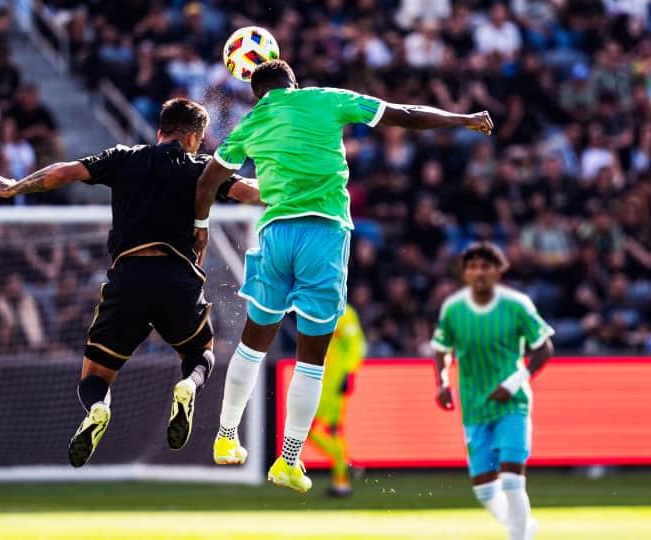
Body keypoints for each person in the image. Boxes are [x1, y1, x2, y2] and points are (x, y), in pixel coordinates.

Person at [194, 59, 493, 492]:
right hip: (325, 234)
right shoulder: (325, 98)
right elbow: (403, 114)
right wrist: (462, 119)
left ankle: (225, 436)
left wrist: (201, 229)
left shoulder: (251, 122)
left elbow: (207, 181)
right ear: (294, 83)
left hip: (274, 233)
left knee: (253, 342)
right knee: (311, 359)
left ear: (259, 94)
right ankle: (289, 461)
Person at [0, 98, 260, 467]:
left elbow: (64, 172)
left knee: (94, 375)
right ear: (193, 138)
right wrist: (298, 185)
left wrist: (14, 187)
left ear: (160, 132)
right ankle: (187, 386)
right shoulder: (200, 167)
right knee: (198, 354)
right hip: (178, 278)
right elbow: (250, 192)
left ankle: (97, 409)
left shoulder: (123, 157)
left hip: (128, 278)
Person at [431, 242, 554, 540]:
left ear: (499, 271)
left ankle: (519, 536)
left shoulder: (517, 305)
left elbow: (544, 348)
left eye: (486, 266)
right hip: (474, 407)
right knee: (486, 491)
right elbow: (441, 349)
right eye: (472, 267)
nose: (479, 272)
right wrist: (443, 382)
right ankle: (523, 526)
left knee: (513, 481)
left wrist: (513, 383)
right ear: (464, 273)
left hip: (513, 404)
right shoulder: (453, 308)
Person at [307, 304, 366, 497]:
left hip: (333, 384)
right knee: (330, 432)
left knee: (311, 429)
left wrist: (349, 373)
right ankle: (342, 476)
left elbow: (356, 345)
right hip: (320, 379)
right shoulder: (317, 308)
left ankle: (343, 466)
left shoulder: (345, 313)